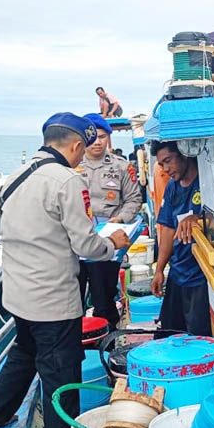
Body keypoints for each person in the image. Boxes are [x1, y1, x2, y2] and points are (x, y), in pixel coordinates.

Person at [0, 112, 132, 428]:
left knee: (24, 352)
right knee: (61, 380)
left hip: (17, 295)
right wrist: (113, 243)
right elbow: (86, 245)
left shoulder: (13, 178)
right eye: (81, 151)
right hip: (53, 301)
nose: (81, 157)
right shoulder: (68, 181)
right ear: (75, 145)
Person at [77, 113, 142, 328]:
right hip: (75, 240)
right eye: (93, 137)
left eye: (103, 137)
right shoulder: (69, 167)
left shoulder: (121, 166)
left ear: (109, 138)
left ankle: (109, 346)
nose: (98, 142)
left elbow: (134, 200)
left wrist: (119, 218)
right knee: (71, 302)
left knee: (104, 300)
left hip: (107, 242)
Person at [149, 140, 211, 336]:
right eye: (161, 165)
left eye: (168, 161)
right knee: (170, 333)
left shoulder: (207, 183)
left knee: (198, 337)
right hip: (177, 274)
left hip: (201, 279)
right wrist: (160, 270)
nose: (166, 169)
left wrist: (199, 219)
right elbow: (167, 229)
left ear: (184, 154)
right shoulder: (172, 187)